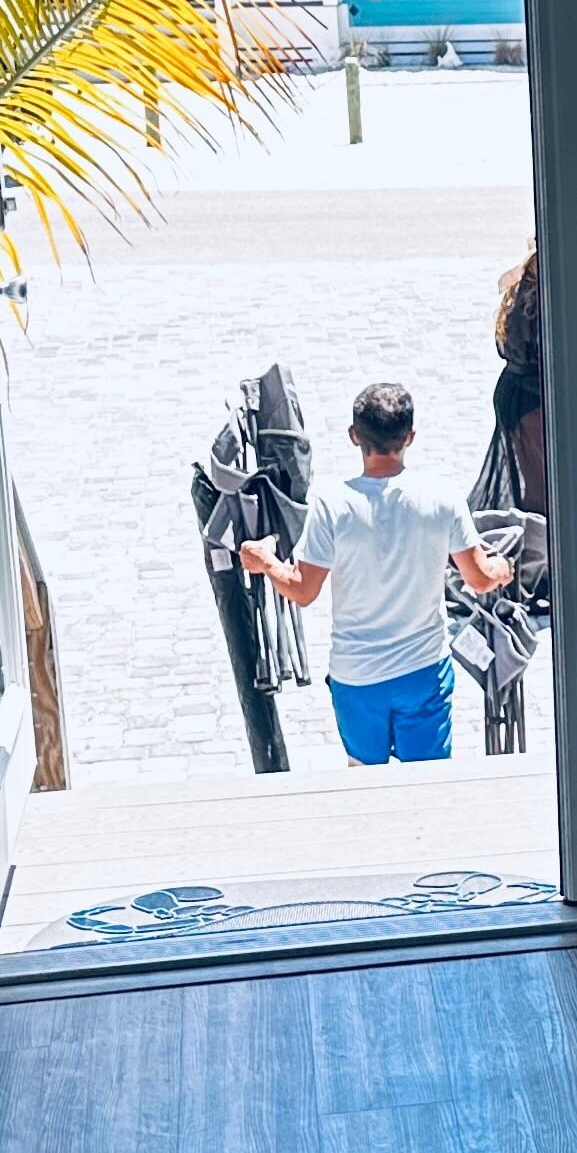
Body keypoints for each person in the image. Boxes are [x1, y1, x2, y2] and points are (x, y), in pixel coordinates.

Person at [238, 381, 510, 766]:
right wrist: (502, 568)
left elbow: (302, 591)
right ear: (409, 437)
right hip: (423, 672)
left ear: (354, 436)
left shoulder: (332, 504)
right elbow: (479, 579)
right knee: (429, 780)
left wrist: (266, 560)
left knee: (365, 780)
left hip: (357, 677)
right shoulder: (442, 496)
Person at [488, 250, 547, 514]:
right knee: (540, 489)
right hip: (529, 400)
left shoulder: (529, 290)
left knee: (538, 484)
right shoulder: (538, 299)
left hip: (520, 395)